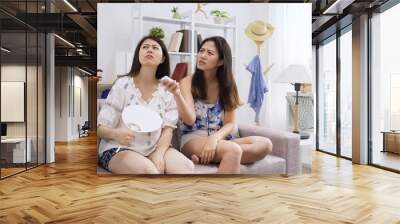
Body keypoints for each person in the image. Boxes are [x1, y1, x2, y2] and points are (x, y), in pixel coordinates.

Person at [162, 36, 273, 174]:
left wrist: (214, 140)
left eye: (210, 53)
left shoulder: (228, 85)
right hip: (194, 138)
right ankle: (221, 189)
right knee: (234, 150)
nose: (202, 55)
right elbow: (189, 120)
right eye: (201, 51)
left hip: (221, 139)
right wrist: (177, 94)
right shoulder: (187, 82)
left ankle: (212, 156)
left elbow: (230, 124)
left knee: (266, 145)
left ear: (220, 61)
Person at [97, 36, 194, 174]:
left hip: (154, 148)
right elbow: (100, 128)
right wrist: (116, 134)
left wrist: (159, 154)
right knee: (150, 171)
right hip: (118, 147)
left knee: (186, 167)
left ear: (163, 58)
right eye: (145, 47)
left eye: (155, 48)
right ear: (138, 55)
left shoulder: (167, 89)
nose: (149, 50)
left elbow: (168, 130)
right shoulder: (122, 84)